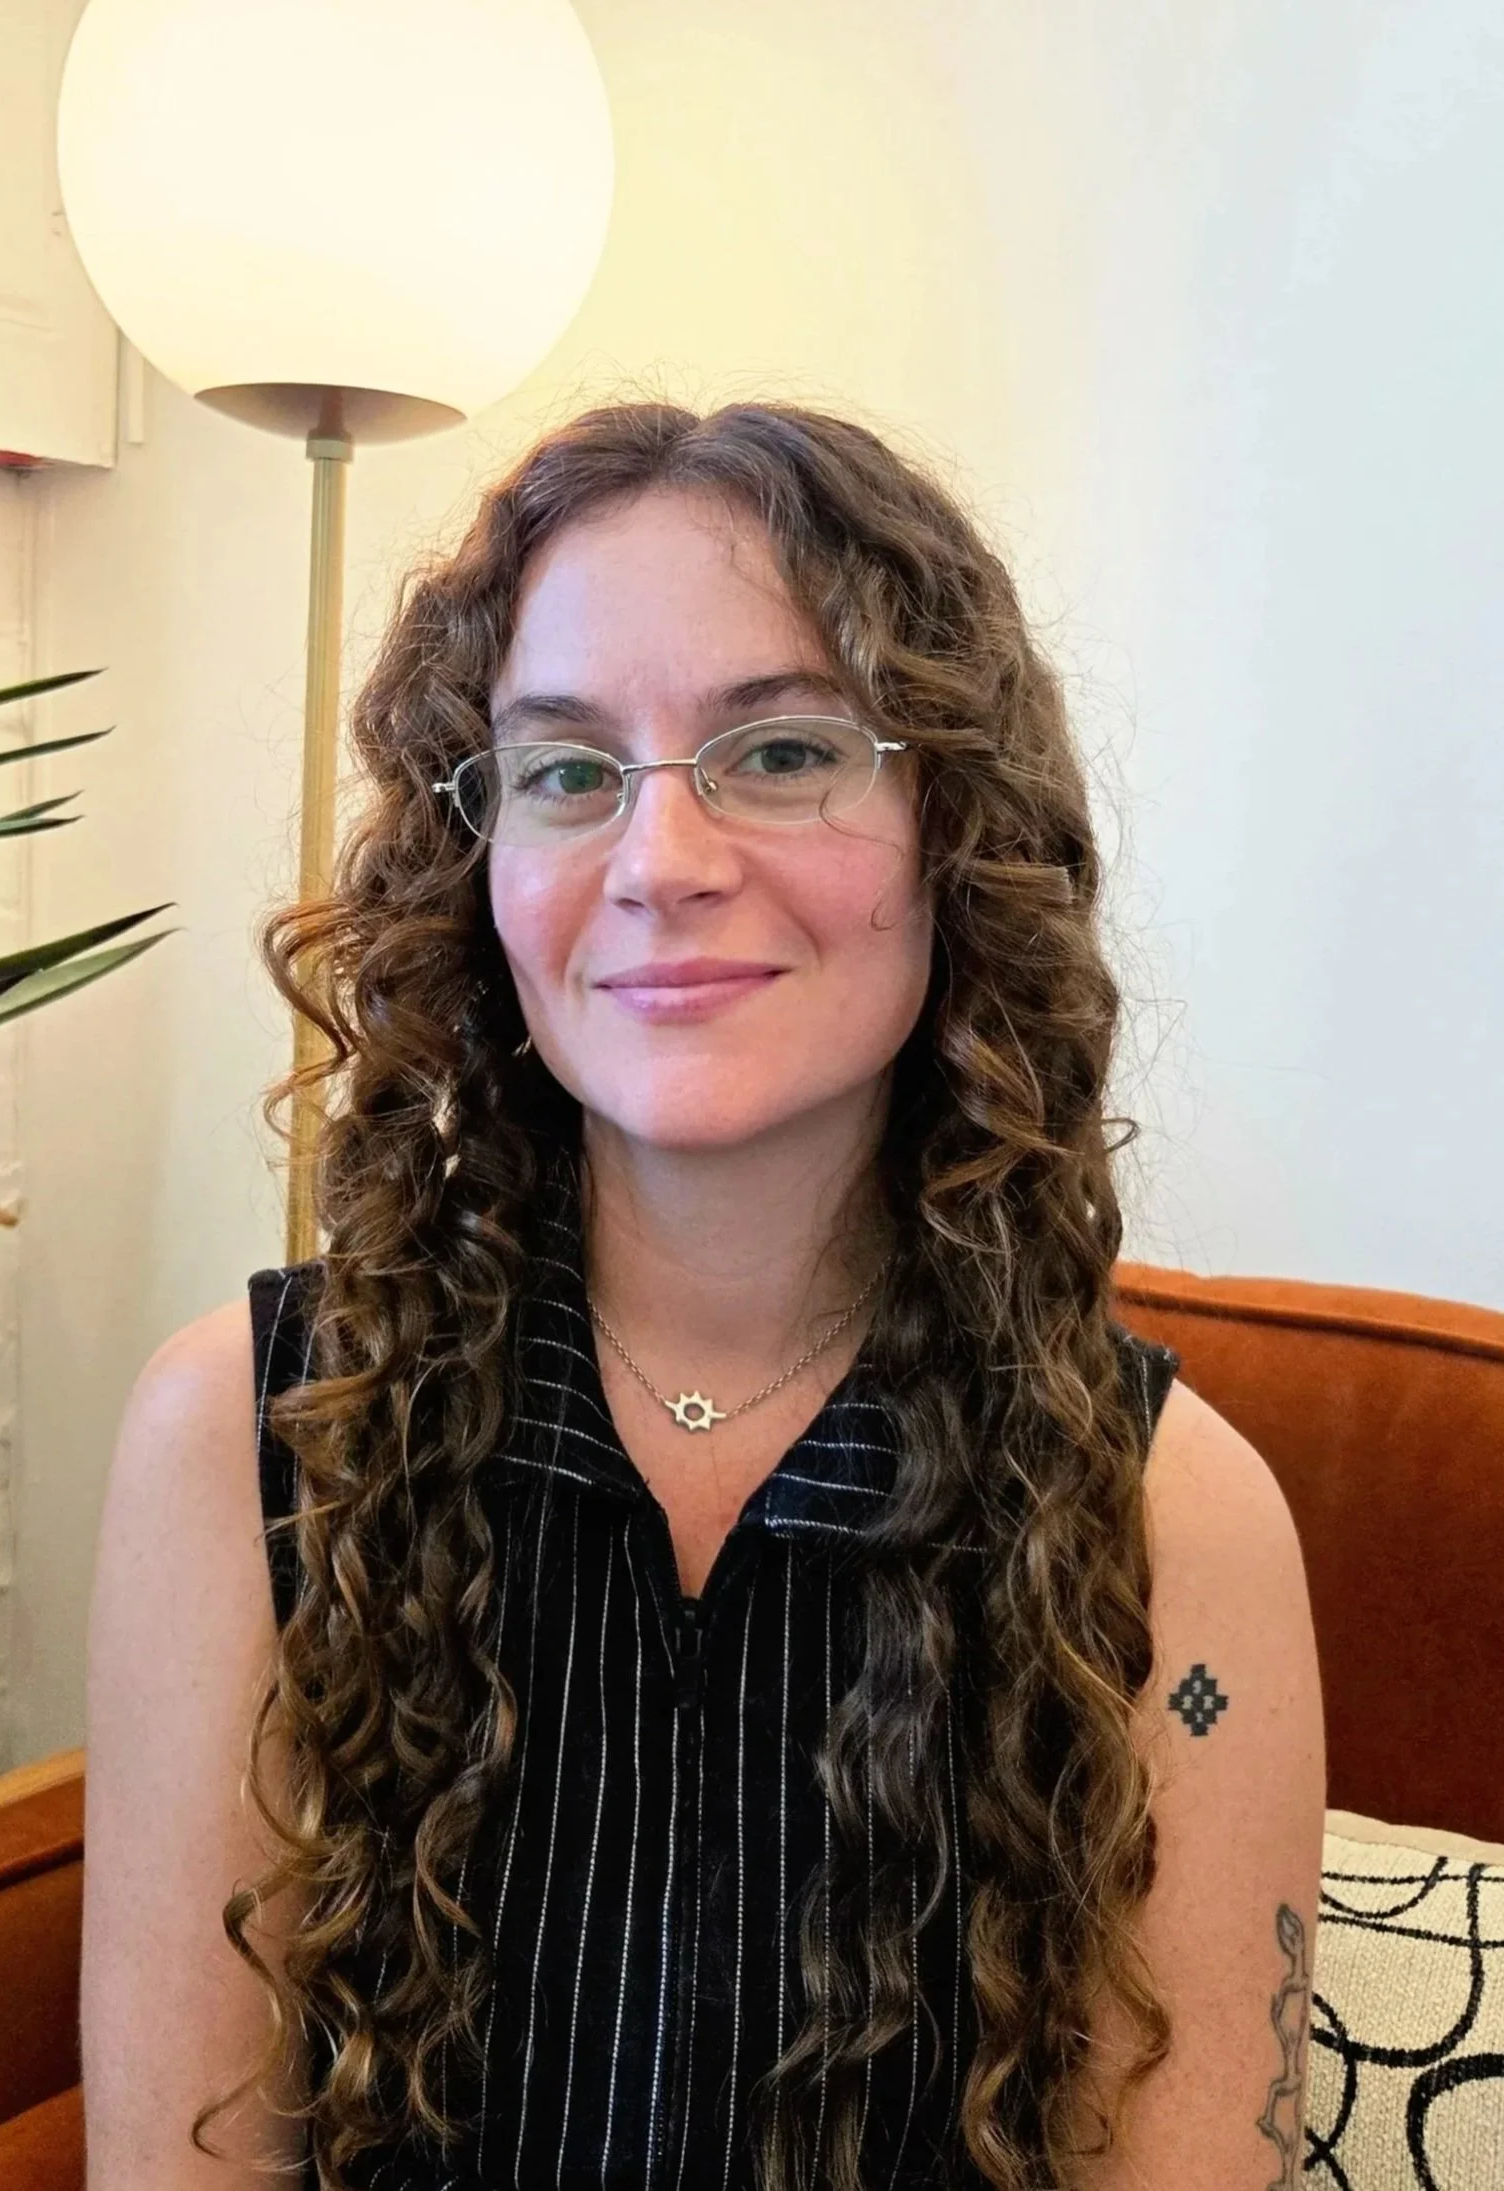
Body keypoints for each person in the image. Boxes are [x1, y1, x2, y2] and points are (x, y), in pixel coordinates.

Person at [82, 401, 1326, 2191]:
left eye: (783, 750)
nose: (660, 861)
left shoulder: (1169, 1516)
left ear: (953, 826)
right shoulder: (252, 1439)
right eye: (568, 770)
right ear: (482, 863)